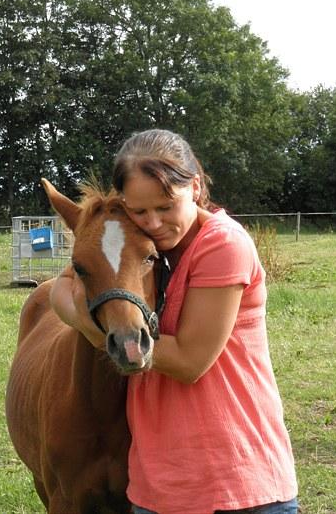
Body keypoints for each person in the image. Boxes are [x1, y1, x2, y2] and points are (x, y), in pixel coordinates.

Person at [50, 129, 299, 514]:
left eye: (166, 207)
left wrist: (105, 336)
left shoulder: (222, 244)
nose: (154, 222)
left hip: (238, 482)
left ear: (195, 187)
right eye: (140, 210)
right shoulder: (139, 242)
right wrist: (82, 317)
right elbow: (64, 284)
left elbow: (188, 362)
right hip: (161, 487)